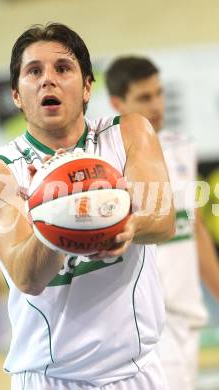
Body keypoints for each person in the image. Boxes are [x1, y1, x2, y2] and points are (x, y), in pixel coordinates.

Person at [0, 24, 175, 390]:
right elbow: (26, 276)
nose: (47, 80)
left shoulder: (128, 132)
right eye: (34, 71)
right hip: (52, 377)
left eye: (62, 68)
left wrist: (124, 223)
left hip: (136, 372)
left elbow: (162, 219)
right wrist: (56, 209)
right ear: (17, 95)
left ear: (86, 87)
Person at [105, 56, 219, 390]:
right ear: (117, 103)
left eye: (159, 93)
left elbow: (193, 228)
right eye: (144, 97)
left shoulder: (182, 147)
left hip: (189, 317)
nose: (156, 105)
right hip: (149, 325)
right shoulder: (111, 161)